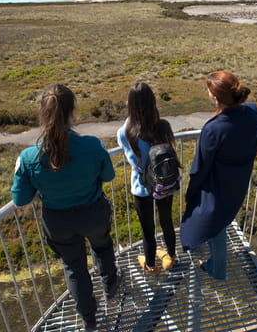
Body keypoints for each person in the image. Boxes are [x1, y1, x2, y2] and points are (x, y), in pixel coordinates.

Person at [11, 84, 122, 332]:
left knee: (74, 267)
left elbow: (20, 199)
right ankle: (111, 285)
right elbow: (108, 176)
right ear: (73, 112)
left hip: (58, 222)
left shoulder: (28, 157)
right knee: (102, 246)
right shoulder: (93, 146)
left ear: (43, 114)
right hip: (93, 214)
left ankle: (89, 319)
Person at [181, 71, 257, 280]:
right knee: (221, 221)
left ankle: (217, 269)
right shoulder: (253, 112)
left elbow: (200, 168)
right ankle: (216, 266)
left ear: (215, 97)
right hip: (239, 182)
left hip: (217, 186)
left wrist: (191, 193)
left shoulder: (213, 129)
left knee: (207, 221)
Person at [117, 82, 177, 276]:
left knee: (148, 229)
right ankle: (171, 256)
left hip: (142, 186)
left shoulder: (125, 132)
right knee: (166, 221)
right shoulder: (163, 126)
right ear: (152, 101)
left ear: (130, 105)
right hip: (164, 182)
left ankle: (151, 266)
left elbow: (132, 159)